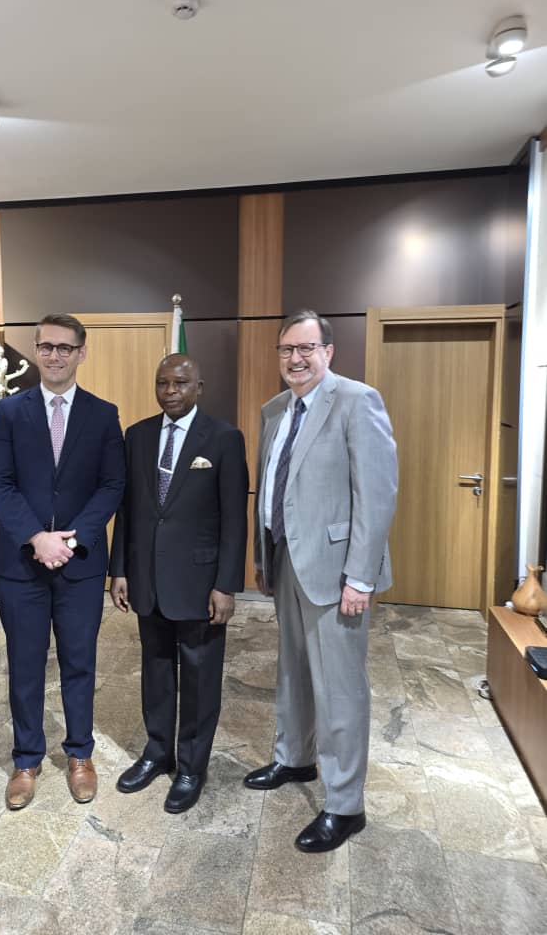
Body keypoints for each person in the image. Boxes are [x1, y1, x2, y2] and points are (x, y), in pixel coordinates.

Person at [244, 309, 397, 853]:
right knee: (293, 672)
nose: (296, 358)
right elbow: (272, 491)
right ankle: (295, 757)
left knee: (339, 687)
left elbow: (376, 498)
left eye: (307, 348)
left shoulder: (356, 401)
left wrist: (361, 576)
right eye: (287, 349)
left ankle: (345, 805)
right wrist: (264, 557)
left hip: (337, 574)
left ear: (329, 352)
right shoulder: (275, 410)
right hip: (286, 561)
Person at [0, 313, 124, 809]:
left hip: (80, 563)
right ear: (35, 350)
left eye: (65, 347)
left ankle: (80, 755)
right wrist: (36, 538)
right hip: (21, 564)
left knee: (79, 662)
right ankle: (26, 760)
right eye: (46, 346)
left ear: (81, 353)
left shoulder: (104, 414)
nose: (55, 355)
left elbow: (112, 485)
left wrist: (72, 538)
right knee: (24, 664)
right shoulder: (9, 412)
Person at [110, 354, 249, 813]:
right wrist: (120, 570)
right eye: (162, 382)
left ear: (199, 386)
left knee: (199, 677)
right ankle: (157, 752)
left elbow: (234, 518)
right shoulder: (139, 436)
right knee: (155, 671)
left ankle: (192, 765)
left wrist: (226, 584)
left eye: (180, 382)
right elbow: (128, 511)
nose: (170, 390)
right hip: (148, 578)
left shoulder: (224, 439)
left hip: (201, 581)